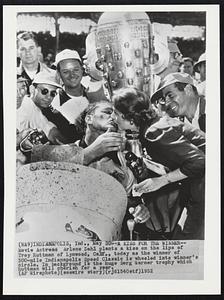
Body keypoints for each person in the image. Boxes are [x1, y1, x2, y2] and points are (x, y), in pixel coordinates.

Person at [112, 87, 205, 240]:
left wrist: (161, 181)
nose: (114, 118)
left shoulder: (153, 132)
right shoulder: (154, 125)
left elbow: (200, 162)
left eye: (115, 113)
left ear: (126, 116)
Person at [41, 49, 95, 143]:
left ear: (82, 70)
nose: (72, 75)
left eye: (76, 70)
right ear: (58, 74)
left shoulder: (94, 93)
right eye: (66, 72)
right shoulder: (52, 103)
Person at [17, 70, 66, 145]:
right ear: (32, 89)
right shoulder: (25, 105)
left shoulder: (38, 110)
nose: (49, 97)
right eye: (44, 91)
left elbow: (50, 129)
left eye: (53, 93)